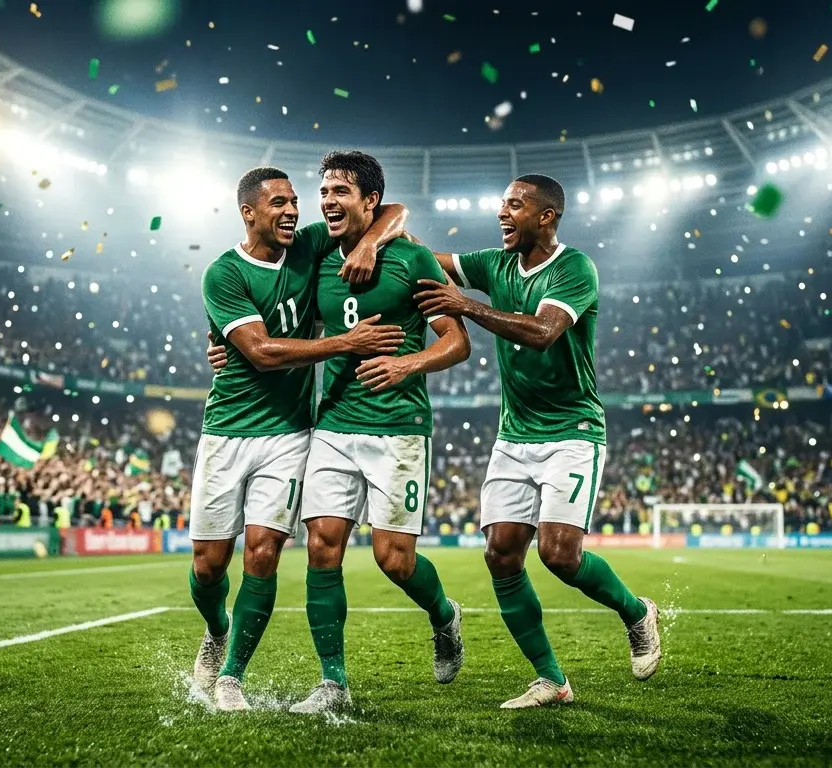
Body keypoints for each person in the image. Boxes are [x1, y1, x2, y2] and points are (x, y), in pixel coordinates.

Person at [412, 173, 661, 708]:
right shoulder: (493, 263)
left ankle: (637, 613)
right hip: (514, 434)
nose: (503, 214)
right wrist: (373, 232)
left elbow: (543, 331)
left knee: (559, 554)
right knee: (501, 554)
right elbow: (423, 257)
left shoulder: (574, 269)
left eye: (516, 206)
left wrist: (467, 307)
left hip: (571, 432)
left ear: (546, 217)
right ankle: (552, 679)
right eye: (502, 204)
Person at [188, 165, 408, 712]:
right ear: (249, 212)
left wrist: (371, 243)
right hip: (226, 431)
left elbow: (394, 212)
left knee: (263, 553)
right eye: (279, 204)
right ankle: (217, 630)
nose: (292, 212)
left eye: (294, 203)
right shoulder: (223, 274)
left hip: (289, 435)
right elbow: (260, 352)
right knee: (209, 566)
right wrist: (345, 342)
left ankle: (231, 678)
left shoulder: (310, 244)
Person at [288, 151, 470, 714]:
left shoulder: (412, 257)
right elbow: (267, 289)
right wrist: (218, 339)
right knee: (321, 548)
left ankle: (444, 615)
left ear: (371, 202)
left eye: (341, 191)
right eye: (323, 192)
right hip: (334, 425)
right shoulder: (317, 249)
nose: (327, 201)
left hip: (398, 427)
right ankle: (333, 682)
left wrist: (405, 365)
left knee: (394, 560)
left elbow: (456, 340)